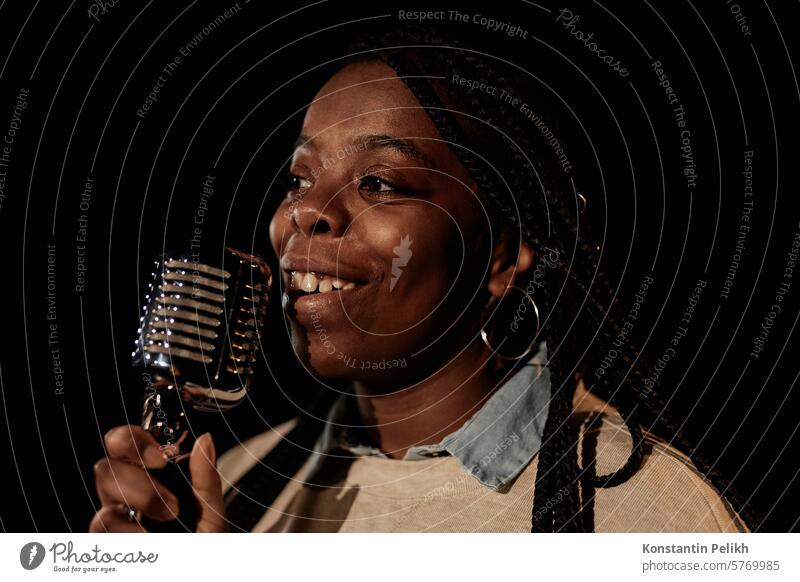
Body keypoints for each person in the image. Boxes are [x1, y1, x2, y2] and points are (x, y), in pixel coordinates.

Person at [90, 28, 751, 533]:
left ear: (503, 257)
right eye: (299, 178)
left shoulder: (640, 512)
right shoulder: (234, 491)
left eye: (379, 182)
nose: (307, 213)